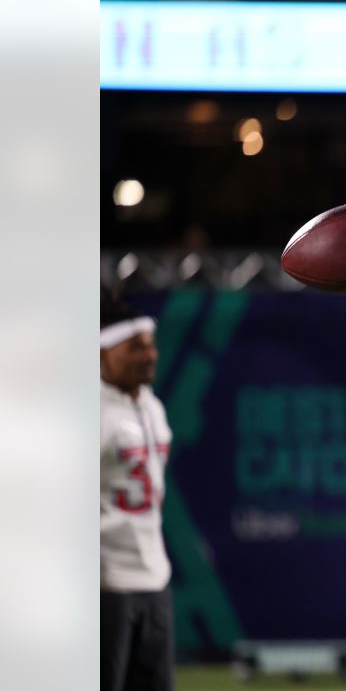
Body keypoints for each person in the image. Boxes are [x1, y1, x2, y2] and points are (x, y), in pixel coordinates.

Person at [100, 291, 175, 691]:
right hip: (104, 585)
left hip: (153, 579)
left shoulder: (151, 405)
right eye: (135, 348)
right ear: (101, 354)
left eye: (150, 346)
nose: (149, 356)